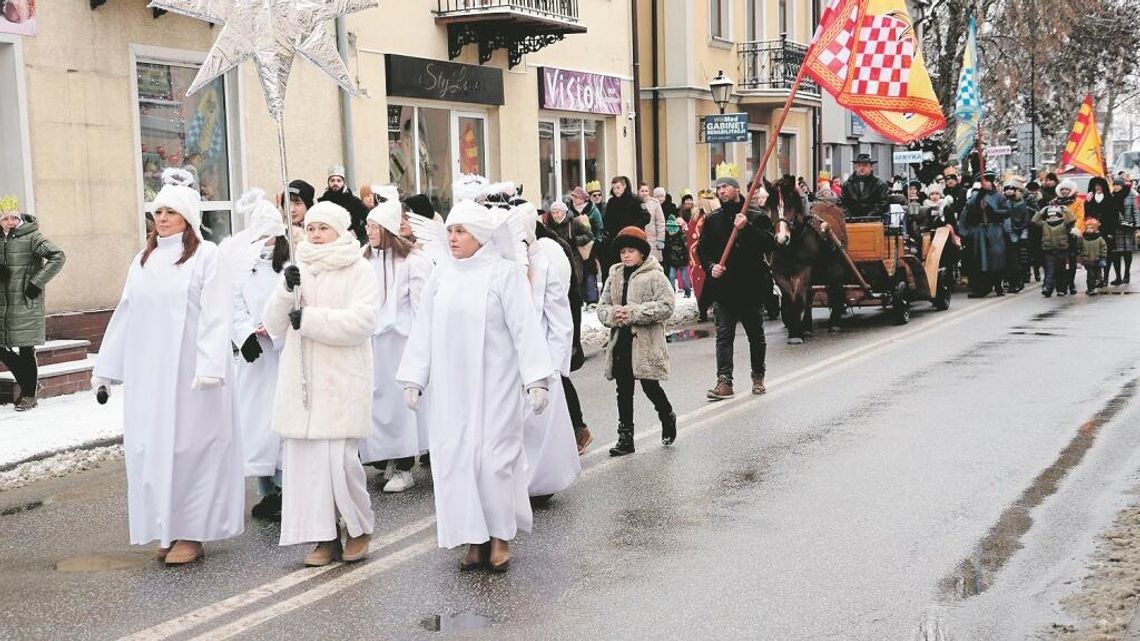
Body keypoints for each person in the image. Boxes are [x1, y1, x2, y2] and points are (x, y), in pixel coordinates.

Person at [91, 169, 242, 565]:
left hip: (194, 377)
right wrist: (106, 368)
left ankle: (193, 531)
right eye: (157, 211)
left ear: (188, 218)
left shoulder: (207, 256)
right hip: (151, 373)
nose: (161, 218)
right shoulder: (143, 259)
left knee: (191, 448)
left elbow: (216, 314)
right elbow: (126, 312)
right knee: (152, 448)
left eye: (170, 212)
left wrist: (210, 365)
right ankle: (167, 525)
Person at [397, 200, 553, 573]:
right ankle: (473, 538)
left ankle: (499, 536)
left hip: (494, 383)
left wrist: (536, 378)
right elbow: (424, 328)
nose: (452, 238)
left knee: (492, 460)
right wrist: (415, 376)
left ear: (481, 236)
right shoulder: (441, 275)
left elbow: (524, 327)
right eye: (450, 230)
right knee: (456, 461)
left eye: (460, 231)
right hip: (452, 390)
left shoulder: (503, 274)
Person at [263, 201, 379, 567]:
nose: (314, 234)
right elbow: (274, 323)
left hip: (340, 380)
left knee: (340, 464)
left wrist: (311, 319)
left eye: (322, 228)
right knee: (308, 468)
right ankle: (323, 535)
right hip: (301, 385)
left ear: (340, 231)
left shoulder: (359, 268)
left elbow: (363, 321)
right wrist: (285, 290)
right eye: (310, 228)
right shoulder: (297, 268)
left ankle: (358, 527)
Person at [359, 190, 433, 493]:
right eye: (367, 225)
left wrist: (420, 345)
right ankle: (387, 456)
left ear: (387, 230)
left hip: (401, 344)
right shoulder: (363, 259)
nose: (369, 231)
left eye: (374, 226)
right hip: (373, 344)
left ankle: (405, 465)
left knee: (401, 406)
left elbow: (421, 307)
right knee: (377, 405)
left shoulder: (413, 262)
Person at [228, 191, 289, 520]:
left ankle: (285, 487)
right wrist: (245, 334)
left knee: (278, 423)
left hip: (280, 359)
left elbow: (293, 303)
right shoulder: (244, 268)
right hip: (255, 360)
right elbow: (233, 302)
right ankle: (266, 488)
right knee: (255, 424)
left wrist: (275, 330)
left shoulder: (289, 266)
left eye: (267, 237)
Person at [696, 170, 777, 400]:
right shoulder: (713, 219)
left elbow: (769, 244)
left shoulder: (755, 215)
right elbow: (703, 250)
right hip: (725, 289)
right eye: (718, 188)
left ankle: (758, 376)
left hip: (751, 286)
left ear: (737, 189)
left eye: (725, 187)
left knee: (755, 335)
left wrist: (746, 228)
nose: (721, 191)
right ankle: (724, 381)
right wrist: (711, 266)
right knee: (723, 336)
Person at [597, 226, 676, 456]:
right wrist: (614, 315)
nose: (626, 255)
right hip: (621, 340)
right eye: (623, 252)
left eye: (631, 251)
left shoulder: (655, 275)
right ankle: (625, 437)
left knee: (650, 386)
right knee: (623, 390)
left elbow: (667, 306)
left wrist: (635, 312)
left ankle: (667, 415)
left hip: (645, 342)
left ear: (642, 253)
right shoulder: (615, 274)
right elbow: (602, 307)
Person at [520, 205, 582, 497]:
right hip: (510, 361)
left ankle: (542, 482)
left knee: (539, 423)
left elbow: (560, 316)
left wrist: (556, 364)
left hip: (541, 357)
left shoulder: (546, 262)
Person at [0, 196, 66, 411]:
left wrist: (36, 283)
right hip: (2, 302)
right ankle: (31, 383)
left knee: (26, 348)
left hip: (25, 299)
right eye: (5, 218)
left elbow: (58, 256)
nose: (10, 222)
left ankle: (29, 394)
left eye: (13, 218)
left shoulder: (32, 236)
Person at [960, 171, 1010, 297]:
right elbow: (969, 212)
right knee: (981, 260)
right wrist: (977, 202)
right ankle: (982, 287)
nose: (985, 183)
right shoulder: (976, 196)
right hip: (981, 231)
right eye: (983, 181)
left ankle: (998, 285)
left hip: (995, 230)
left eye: (987, 181)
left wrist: (992, 210)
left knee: (996, 259)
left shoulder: (999, 196)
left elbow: (1007, 212)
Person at [602, 176, 643, 281]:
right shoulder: (611, 202)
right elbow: (607, 220)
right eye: (614, 188)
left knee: (631, 262)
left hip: (632, 237)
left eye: (618, 187)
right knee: (617, 265)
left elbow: (645, 217)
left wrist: (632, 229)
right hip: (616, 238)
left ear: (624, 186)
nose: (616, 191)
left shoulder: (635, 200)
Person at [568, 186, 603, 307]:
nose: (574, 199)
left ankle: (592, 299)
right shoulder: (569, 209)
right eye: (573, 196)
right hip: (574, 245)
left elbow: (599, 226)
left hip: (590, 244)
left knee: (590, 270)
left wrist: (597, 240)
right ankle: (580, 297)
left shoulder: (592, 209)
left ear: (582, 198)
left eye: (576, 197)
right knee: (577, 270)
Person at [1031, 204, 1076, 297]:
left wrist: (1066, 210)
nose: (1052, 217)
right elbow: (1034, 221)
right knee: (1049, 270)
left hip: (1061, 250)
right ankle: (1047, 288)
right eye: (1050, 215)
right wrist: (1041, 211)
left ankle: (1061, 289)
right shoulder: (1044, 224)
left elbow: (1071, 220)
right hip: (1049, 250)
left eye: (1055, 215)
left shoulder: (1064, 223)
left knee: (1061, 271)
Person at [318, 165, 369, 246]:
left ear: (343, 182)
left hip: (350, 243)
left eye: (339, 180)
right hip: (328, 244)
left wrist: (356, 232)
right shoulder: (321, 202)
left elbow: (369, 218)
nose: (335, 183)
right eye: (332, 180)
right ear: (328, 183)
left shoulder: (354, 201)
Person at [1085, 176, 1119, 285]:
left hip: (1107, 230)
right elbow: (1087, 214)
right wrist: (1087, 202)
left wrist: (1111, 232)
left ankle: (1106, 278)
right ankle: (1098, 278)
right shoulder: (1090, 199)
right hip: (1094, 230)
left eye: (1100, 186)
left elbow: (1114, 217)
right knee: (1095, 255)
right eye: (1096, 186)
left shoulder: (1110, 198)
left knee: (1107, 255)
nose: (1097, 188)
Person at [1052, 178, 1083, 295]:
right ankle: (1061, 286)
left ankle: (1071, 283)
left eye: (1067, 189)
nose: (1064, 191)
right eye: (1063, 189)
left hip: (1072, 233)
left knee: (1072, 260)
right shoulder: (1055, 202)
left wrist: (1075, 229)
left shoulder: (1078, 201)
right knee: (1059, 261)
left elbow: (1080, 216)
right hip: (1058, 234)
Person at [839, 154, 890, 219]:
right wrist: (850, 217)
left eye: (865, 165)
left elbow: (883, 204)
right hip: (851, 221)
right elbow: (842, 203)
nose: (862, 168)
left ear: (871, 167)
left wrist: (868, 217)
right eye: (859, 165)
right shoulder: (847, 184)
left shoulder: (880, 185)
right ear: (856, 167)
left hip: (874, 221)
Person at [1003, 179, 1031, 293]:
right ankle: (1013, 282)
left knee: (1016, 260)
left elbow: (1024, 221)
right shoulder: (1006, 202)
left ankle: (1017, 282)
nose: (1009, 191)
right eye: (1007, 189)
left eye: (1012, 189)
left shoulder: (1021, 204)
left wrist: (1019, 231)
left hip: (1017, 234)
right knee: (1010, 260)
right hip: (1007, 233)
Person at [663, 199, 691, 296]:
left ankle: (687, 291)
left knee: (685, 278)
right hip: (673, 261)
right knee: (671, 276)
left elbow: (687, 246)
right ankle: (672, 291)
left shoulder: (682, 236)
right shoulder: (669, 238)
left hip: (683, 260)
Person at [1112, 176, 1136, 284]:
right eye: (1114, 185)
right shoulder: (1112, 195)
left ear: (1122, 185)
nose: (1115, 187)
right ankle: (1118, 277)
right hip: (1116, 227)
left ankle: (1127, 274)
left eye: (1117, 185)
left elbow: (1136, 211)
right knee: (1116, 252)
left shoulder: (1131, 195)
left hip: (1128, 227)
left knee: (1127, 251)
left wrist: (1138, 226)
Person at [1077, 218, 1109, 295]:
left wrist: (1103, 258)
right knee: (1090, 275)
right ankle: (1091, 288)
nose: (1089, 230)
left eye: (1091, 228)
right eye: (1087, 228)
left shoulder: (1099, 238)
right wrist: (1080, 257)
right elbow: (1079, 248)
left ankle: (1093, 286)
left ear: (1095, 229)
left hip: (1097, 260)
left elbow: (1103, 248)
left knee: (1095, 274)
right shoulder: (1083, 238)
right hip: (1087, 260)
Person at [640, 184, 667, 262]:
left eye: (646, 191)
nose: (644, 193)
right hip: (640, 237)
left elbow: (660, 222)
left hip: (653, 240)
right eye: (642, 191)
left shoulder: (655, 203)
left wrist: (661, 240)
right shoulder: (634, 203)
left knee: (652, 263)